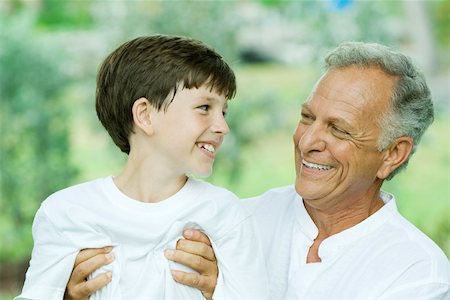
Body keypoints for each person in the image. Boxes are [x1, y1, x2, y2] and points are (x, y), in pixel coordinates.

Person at [65, 41, 450, 299]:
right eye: (307, 117)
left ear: (393, 154)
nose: (307, 140)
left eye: (339, 129)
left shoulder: (416, 271)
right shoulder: (233, 219)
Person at [15, 35, 268, 300]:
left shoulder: (224, 214)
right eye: (204, 107)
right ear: (145, 115)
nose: (223, 127)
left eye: (224, 112)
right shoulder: (66, 213)